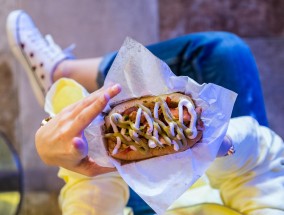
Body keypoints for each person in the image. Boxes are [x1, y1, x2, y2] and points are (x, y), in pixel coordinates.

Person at [7, 10, 284, 215]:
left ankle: (59, 75)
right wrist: (221, 146)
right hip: (225, 180)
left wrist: (80, 159)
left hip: (142, 203)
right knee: (225, 51)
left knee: (215, 55)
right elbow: (266, 168)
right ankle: (64, 71)